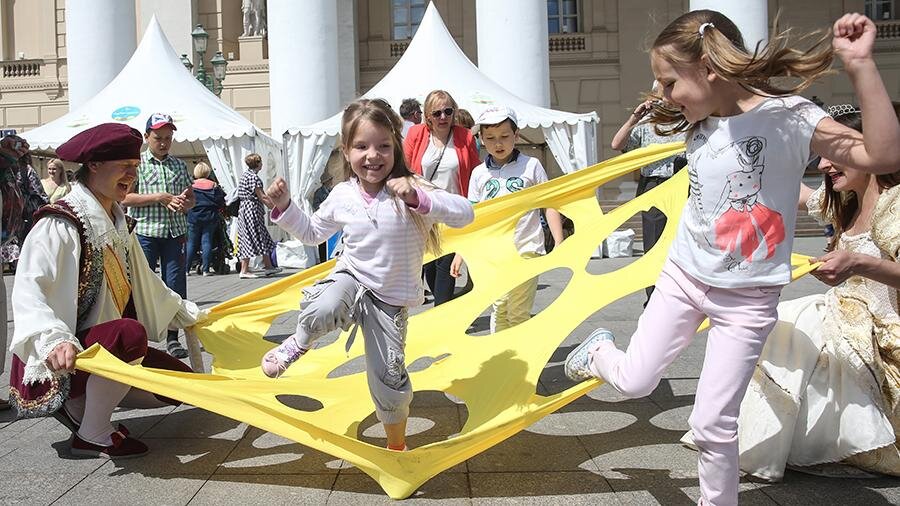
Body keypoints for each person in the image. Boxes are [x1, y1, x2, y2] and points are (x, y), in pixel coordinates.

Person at [562, 11, 900, 506]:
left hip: (748, 301)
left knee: (712, 424)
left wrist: (861, 65)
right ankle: (597, 352)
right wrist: (666, 98)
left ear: (709, 69)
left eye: (670, 81)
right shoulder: (693, 118)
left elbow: (884, 156)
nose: (663, 94)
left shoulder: (790, 117)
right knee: (634, 380)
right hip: (683, 278)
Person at [260, 98, 474, 451]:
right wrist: (285, 207)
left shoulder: (410, 187)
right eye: (361, 146)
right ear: (346, 151)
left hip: (390, 301)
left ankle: (396, 446)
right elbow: (314, 232)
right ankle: (299, 341)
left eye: (383, 146)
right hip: (352, 278)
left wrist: (420, 199)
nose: (372, 155)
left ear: (396, 147)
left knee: (390, 378)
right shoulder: (343, 194)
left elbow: (465, 213)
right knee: (324, 305)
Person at [7, 123, 205, 458]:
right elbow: (30, 288)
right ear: (94, 166)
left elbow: (147, 282)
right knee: (129, 333)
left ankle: (84, 403)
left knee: (180, 385)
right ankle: (92, 432)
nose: (132, 176)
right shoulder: (59, 222)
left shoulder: (116, 221)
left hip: (97, 346)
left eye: (135, 167)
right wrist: (54, 339)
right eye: (124, 167)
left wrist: (185, 312)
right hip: (60, 356)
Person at [726, 104, 900, 481]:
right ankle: (753, 439)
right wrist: (749, 147)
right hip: (841, 319)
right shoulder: (845, 200)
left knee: (789, 321)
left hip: (883, 340)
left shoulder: (895, 204)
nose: (821, 165)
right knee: (777, 323)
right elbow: (796, 192)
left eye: (832, 156)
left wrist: (857, 263)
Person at [451, 106, 564, 332]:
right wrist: (460, 252)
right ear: (481, 139)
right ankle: (501, 360)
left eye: (504, 136)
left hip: (527, 248)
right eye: (491, 138)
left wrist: (560, 243)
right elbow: (474, 216)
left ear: (516, 134)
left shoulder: (531, 166)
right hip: (494, 254)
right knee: (499, 308)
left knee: (518, 312)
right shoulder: (479, 174)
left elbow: (549, 203)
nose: (498, 144)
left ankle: (520, 364)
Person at [123, 113, 196, 359]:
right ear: (146, 137)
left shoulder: (178, 165)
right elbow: (124, 198)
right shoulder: (137, 164)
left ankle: (173, 339)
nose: (163, 142)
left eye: (168, 137)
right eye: (158, 138)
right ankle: (137, 339)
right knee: (141, 287)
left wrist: (186, 202)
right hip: (145, 233)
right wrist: (160, 197)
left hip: (174, 234)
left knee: (175, 287)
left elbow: (191, 198)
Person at [611, 86, 687, 305]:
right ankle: (654, 298)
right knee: (654, 245)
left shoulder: (688, 119)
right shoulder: (646, 124)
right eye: (663, 93)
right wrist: (635, 117)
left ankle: (681, 296)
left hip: (684, 183)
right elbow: (617, 144)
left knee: (684, 243)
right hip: (653, 185)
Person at [403, 90, 481, 305]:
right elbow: (404, 170)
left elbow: (475, 172)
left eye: (448, 111)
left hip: (452, 213)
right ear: (427, 116)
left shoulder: (464, 137)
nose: (443, 117)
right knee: (430, 269)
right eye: (437, 113)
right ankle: (444, 309)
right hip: (424, 215)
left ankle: (442, 312)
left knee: (444, 269)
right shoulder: (416, 135)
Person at [236, 152, 280, 278]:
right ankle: (244, 270)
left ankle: (268, 267)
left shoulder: (245, 175)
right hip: (252, 211)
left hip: (245, 209)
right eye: (260, 162)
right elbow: (262, 197)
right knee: (251, 237)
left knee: (261, 236)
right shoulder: (254, 178)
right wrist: (276, 208)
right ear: (258, 163)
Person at [186, 162, 226, 276]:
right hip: (210, 216)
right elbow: (221, 201)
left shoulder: (191, 185)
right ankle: (206, 269)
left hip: (193, 216)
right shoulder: (214, 185)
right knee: (207, 241)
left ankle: (186, 269)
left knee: (191, 243)